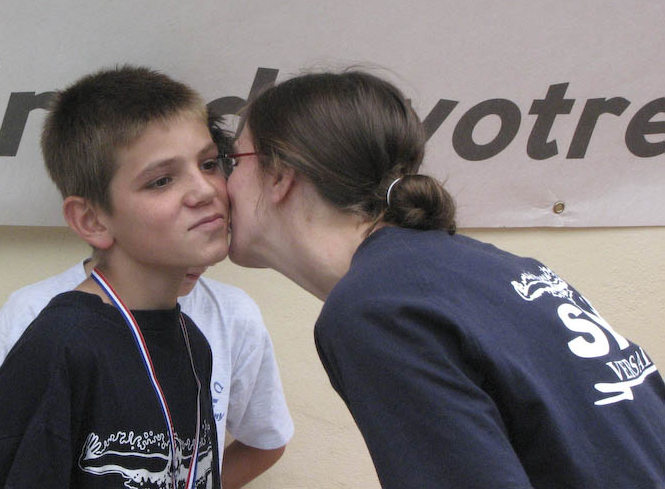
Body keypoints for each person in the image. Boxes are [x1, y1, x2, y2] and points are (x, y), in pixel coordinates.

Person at [220, 70, 665, 488]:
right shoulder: (495, 266)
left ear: (280, 174)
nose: (218, 184)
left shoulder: (378, 308)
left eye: (231, 160)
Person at [0, 114, 292, 489]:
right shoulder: (43, 318)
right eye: (161, 181)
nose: (203, 193)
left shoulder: (220, 323)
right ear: (93, 220)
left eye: (209, 165)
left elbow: (265, 440)